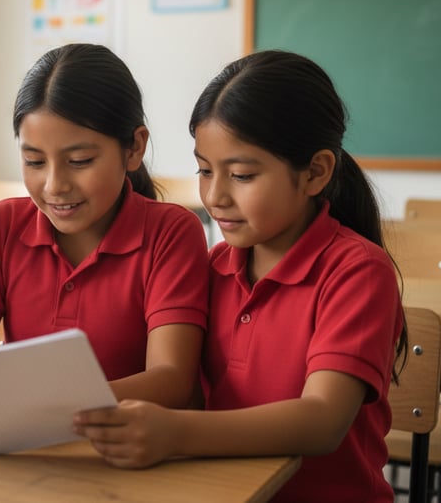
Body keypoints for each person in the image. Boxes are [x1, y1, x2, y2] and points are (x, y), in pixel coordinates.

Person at [73, 50, 407, 503]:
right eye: (205, 171)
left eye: (242, 175)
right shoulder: (212, 269)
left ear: (315, 172)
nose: (215, 196)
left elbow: (322, 420)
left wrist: (176, 433)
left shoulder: (357, 272)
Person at [0, 43, 209, 408]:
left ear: (134, 148)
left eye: (79, 160)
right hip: (25, 444)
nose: (54, 185)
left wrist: (49, 403)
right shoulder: (4, 225)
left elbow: (172, 380)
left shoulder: (170, 233)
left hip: (125, 449)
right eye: (34, 161)